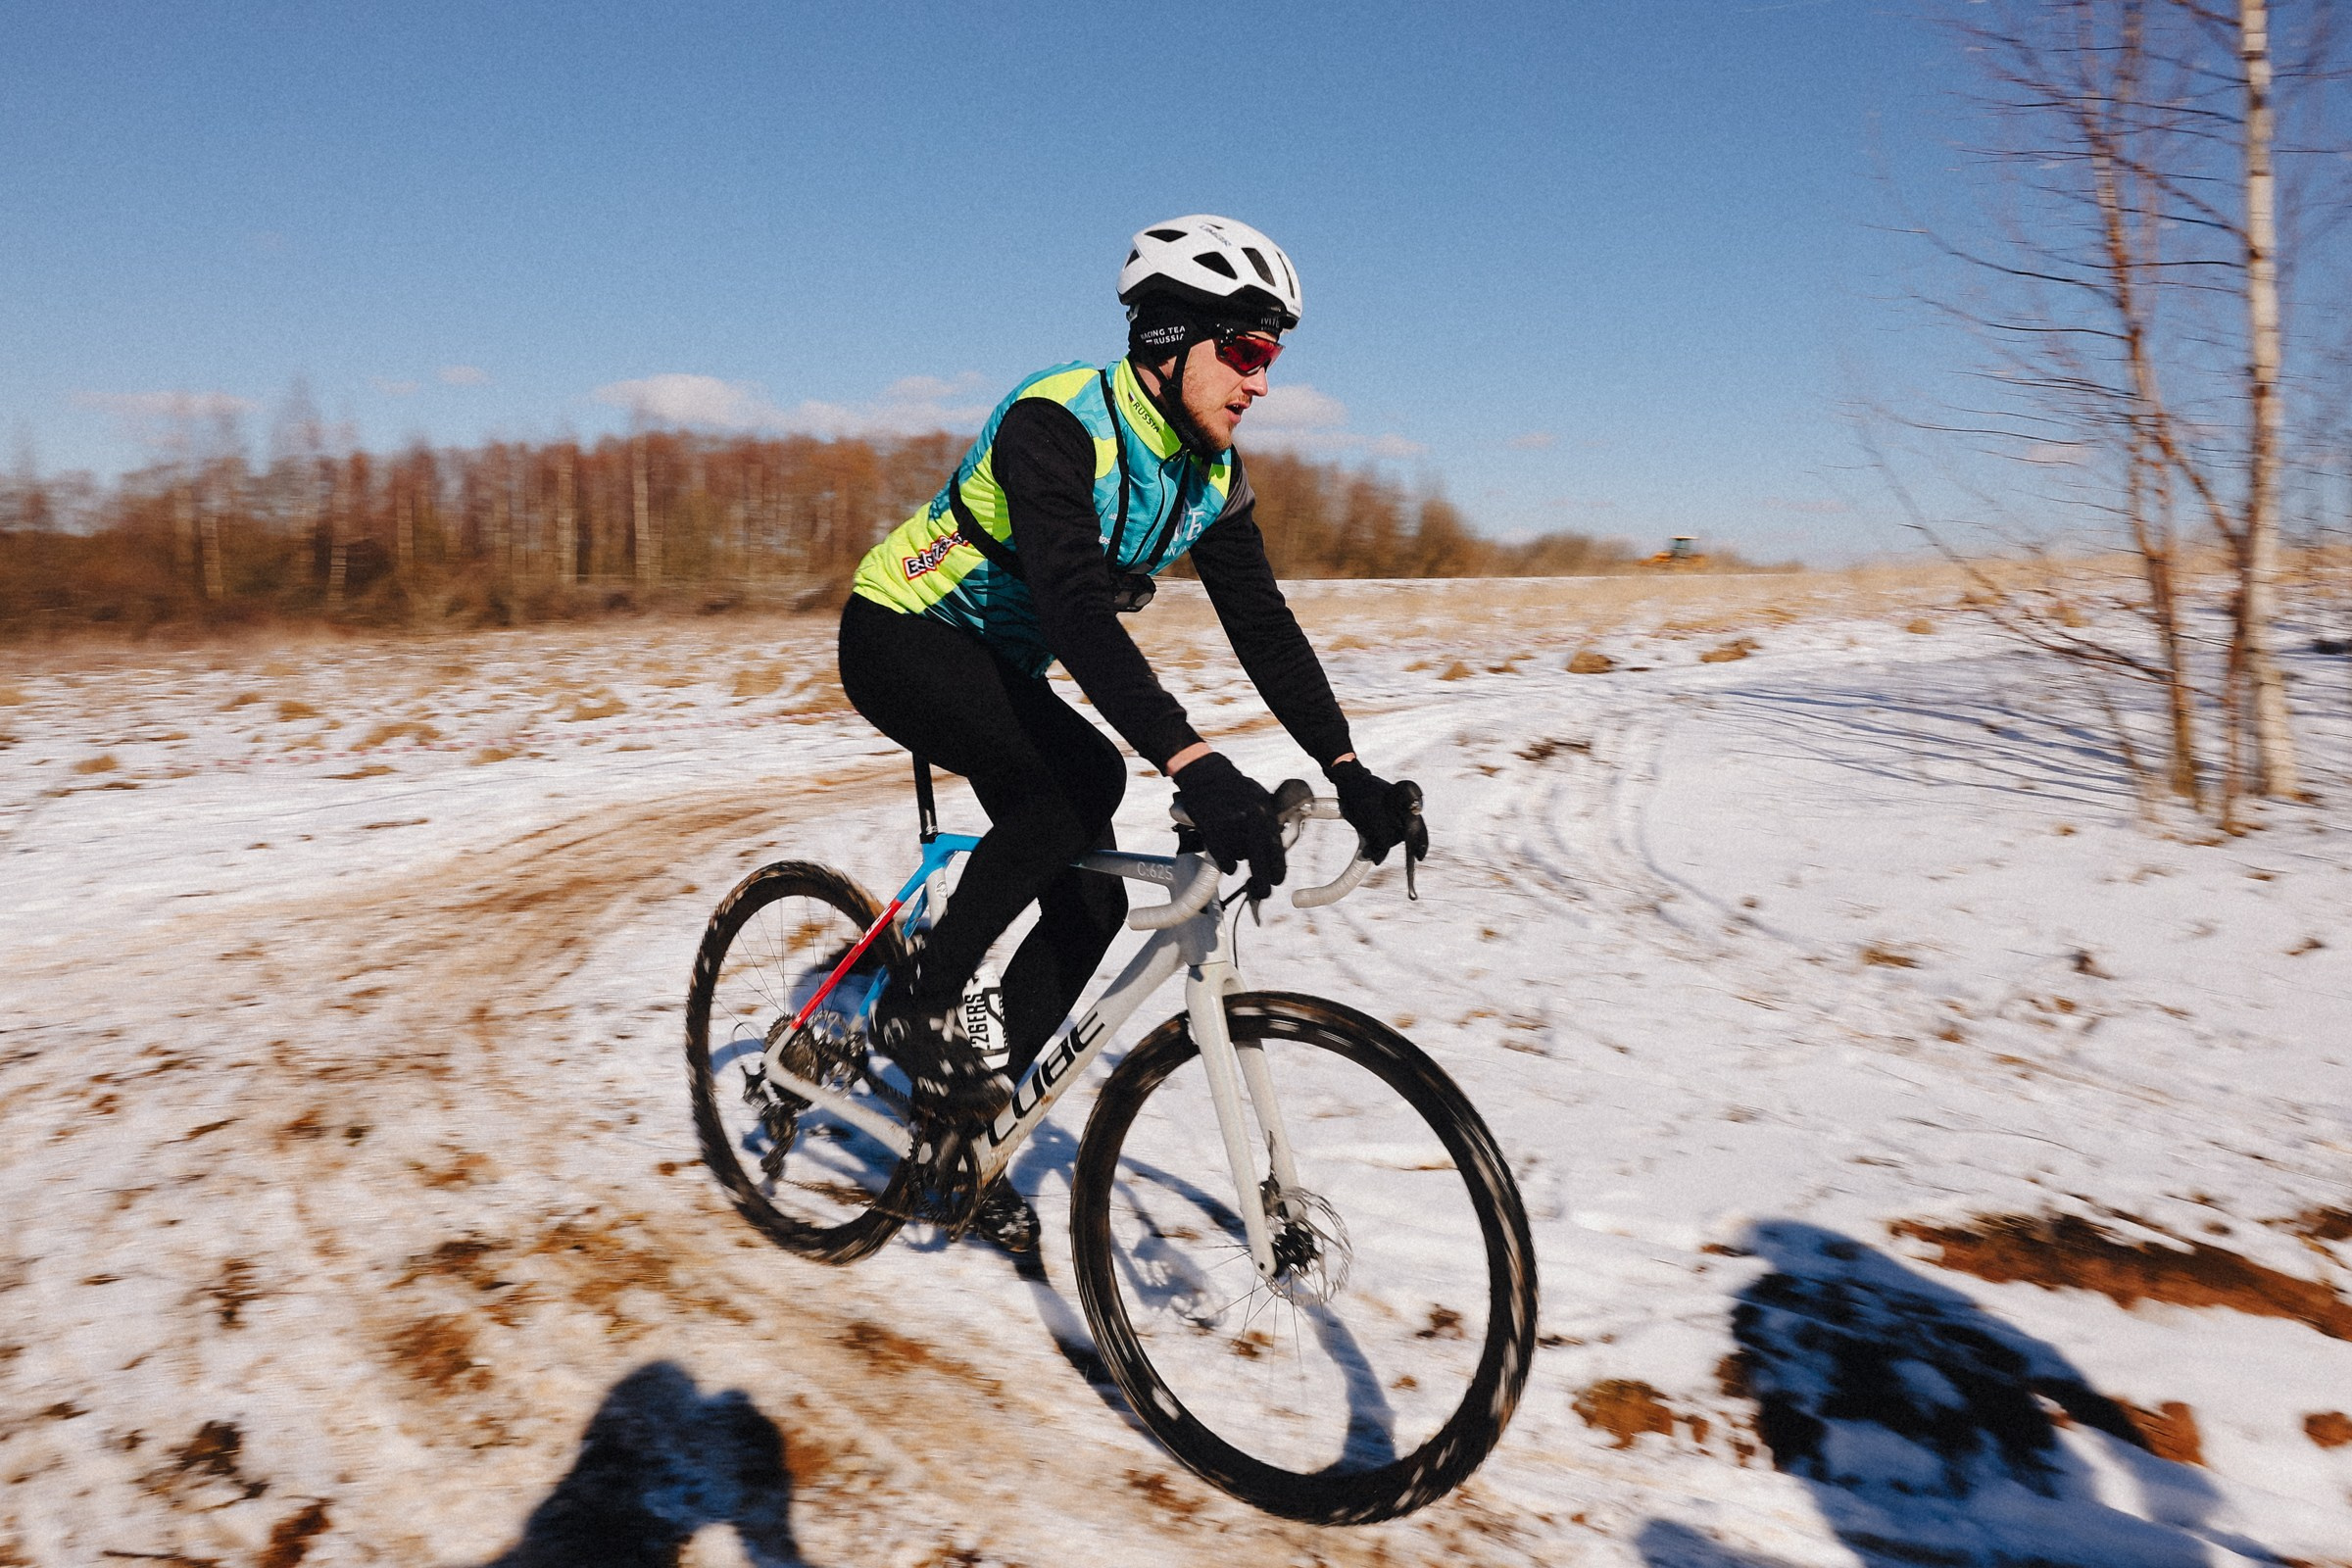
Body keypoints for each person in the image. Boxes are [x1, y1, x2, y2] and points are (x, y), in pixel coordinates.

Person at [837, 215, 1427, 1250]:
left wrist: (1350, 767)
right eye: (1245, 352)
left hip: (998, 665)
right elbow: (1073, 608)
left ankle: (953, 1137)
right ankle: (916, 1005)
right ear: (1168, 338)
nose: (1262, 382)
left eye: (1272, 357)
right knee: (1084, 778)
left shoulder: (1209, 474)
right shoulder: (1056, 424)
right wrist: (1193, 761)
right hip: (900, 633)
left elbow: (1265, 629)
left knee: (1093, 903)